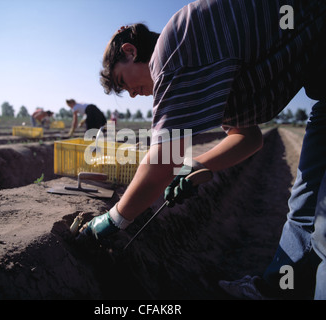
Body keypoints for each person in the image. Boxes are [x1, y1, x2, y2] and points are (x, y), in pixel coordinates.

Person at [80, 0, 326, 299]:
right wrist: (195, 165)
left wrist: (114, 219)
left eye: (124, 82)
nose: (131, 94)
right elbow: (248, 137)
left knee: (324, 229)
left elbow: (163, 162)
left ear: (131, 52)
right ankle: (278, 290)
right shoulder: (200, 70)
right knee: (306, 209)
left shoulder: (169, 53)